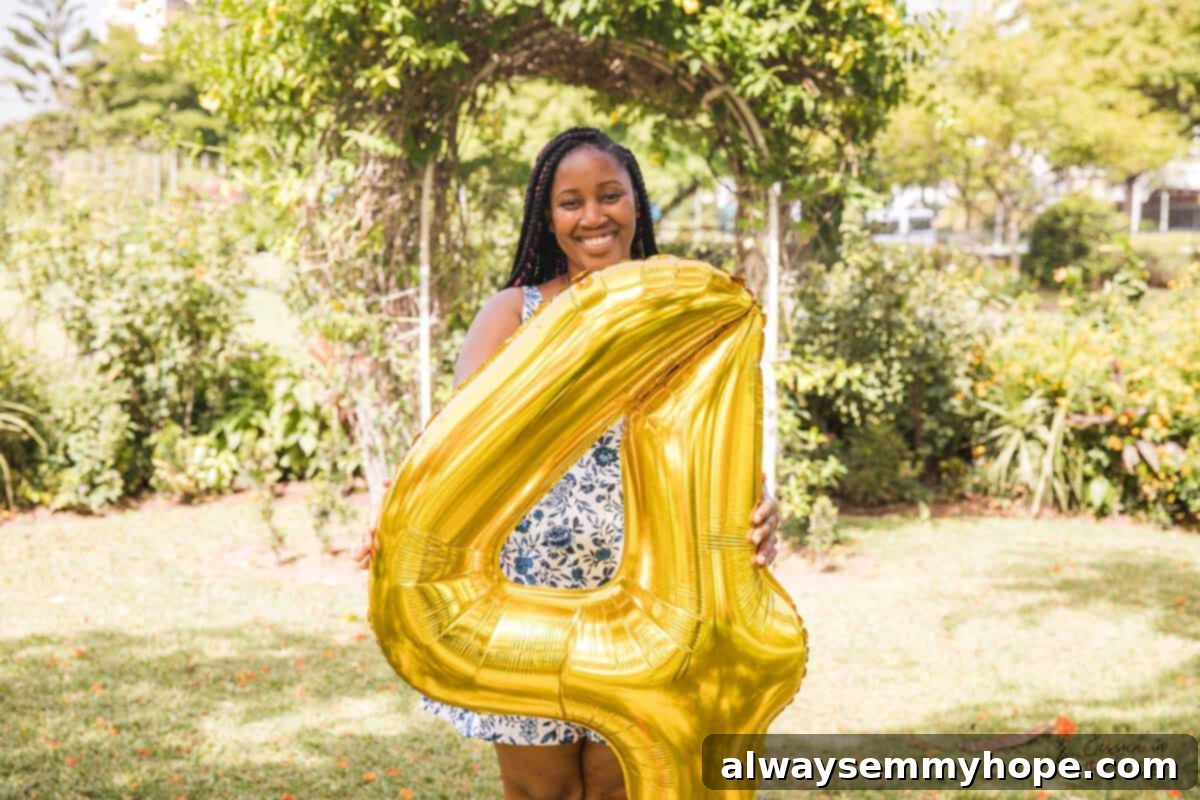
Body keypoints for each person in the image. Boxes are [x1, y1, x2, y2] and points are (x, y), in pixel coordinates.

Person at [354, 126, 783, 800]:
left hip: (652, 599)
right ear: (546, 217)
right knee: (540, 796)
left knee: (625, 790)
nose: (593, 216)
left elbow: (718, 441)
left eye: (609, 195)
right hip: (526, 600)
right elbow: (450, 443)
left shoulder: (679, 315)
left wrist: (756, 510)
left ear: (635, 202)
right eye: (570, 201)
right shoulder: (513, 314)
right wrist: (399, 515)